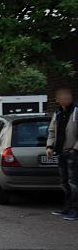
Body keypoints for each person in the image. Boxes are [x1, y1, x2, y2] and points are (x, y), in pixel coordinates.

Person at [46, 87, 78, 221]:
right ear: (57, 100)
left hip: (73, 153)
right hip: (60, 152)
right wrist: (49, 146)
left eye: (67, 97)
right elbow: (52, 131)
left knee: (74, 183)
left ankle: (75, 210)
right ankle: (67, 207)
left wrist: (75, 149)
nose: (65, 99)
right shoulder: (57, 113)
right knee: (64, 182)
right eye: (62, 97)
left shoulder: (76, 111)